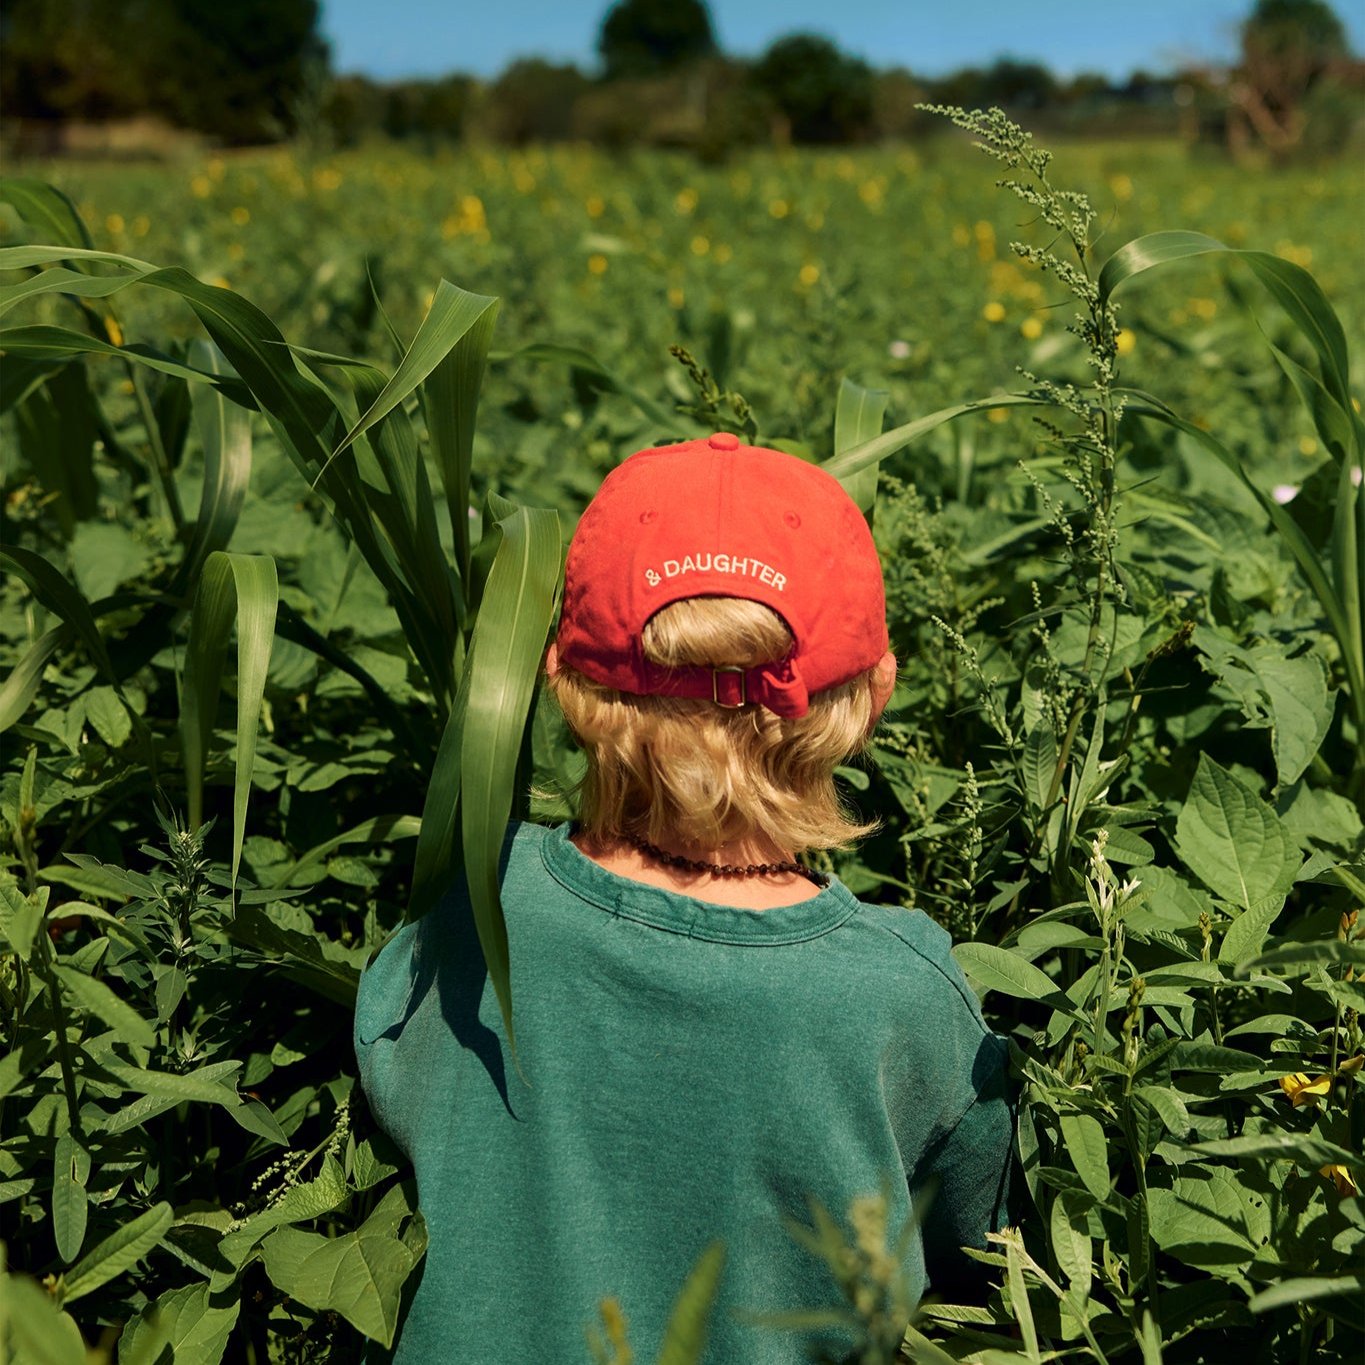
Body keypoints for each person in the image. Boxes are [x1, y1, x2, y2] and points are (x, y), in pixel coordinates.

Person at [353, 433, 1016, 1363]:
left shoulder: (480, 908)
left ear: (561, 680)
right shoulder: (896, 991)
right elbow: (989, 1254)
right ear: (874, 695)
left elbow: (385, 1073)